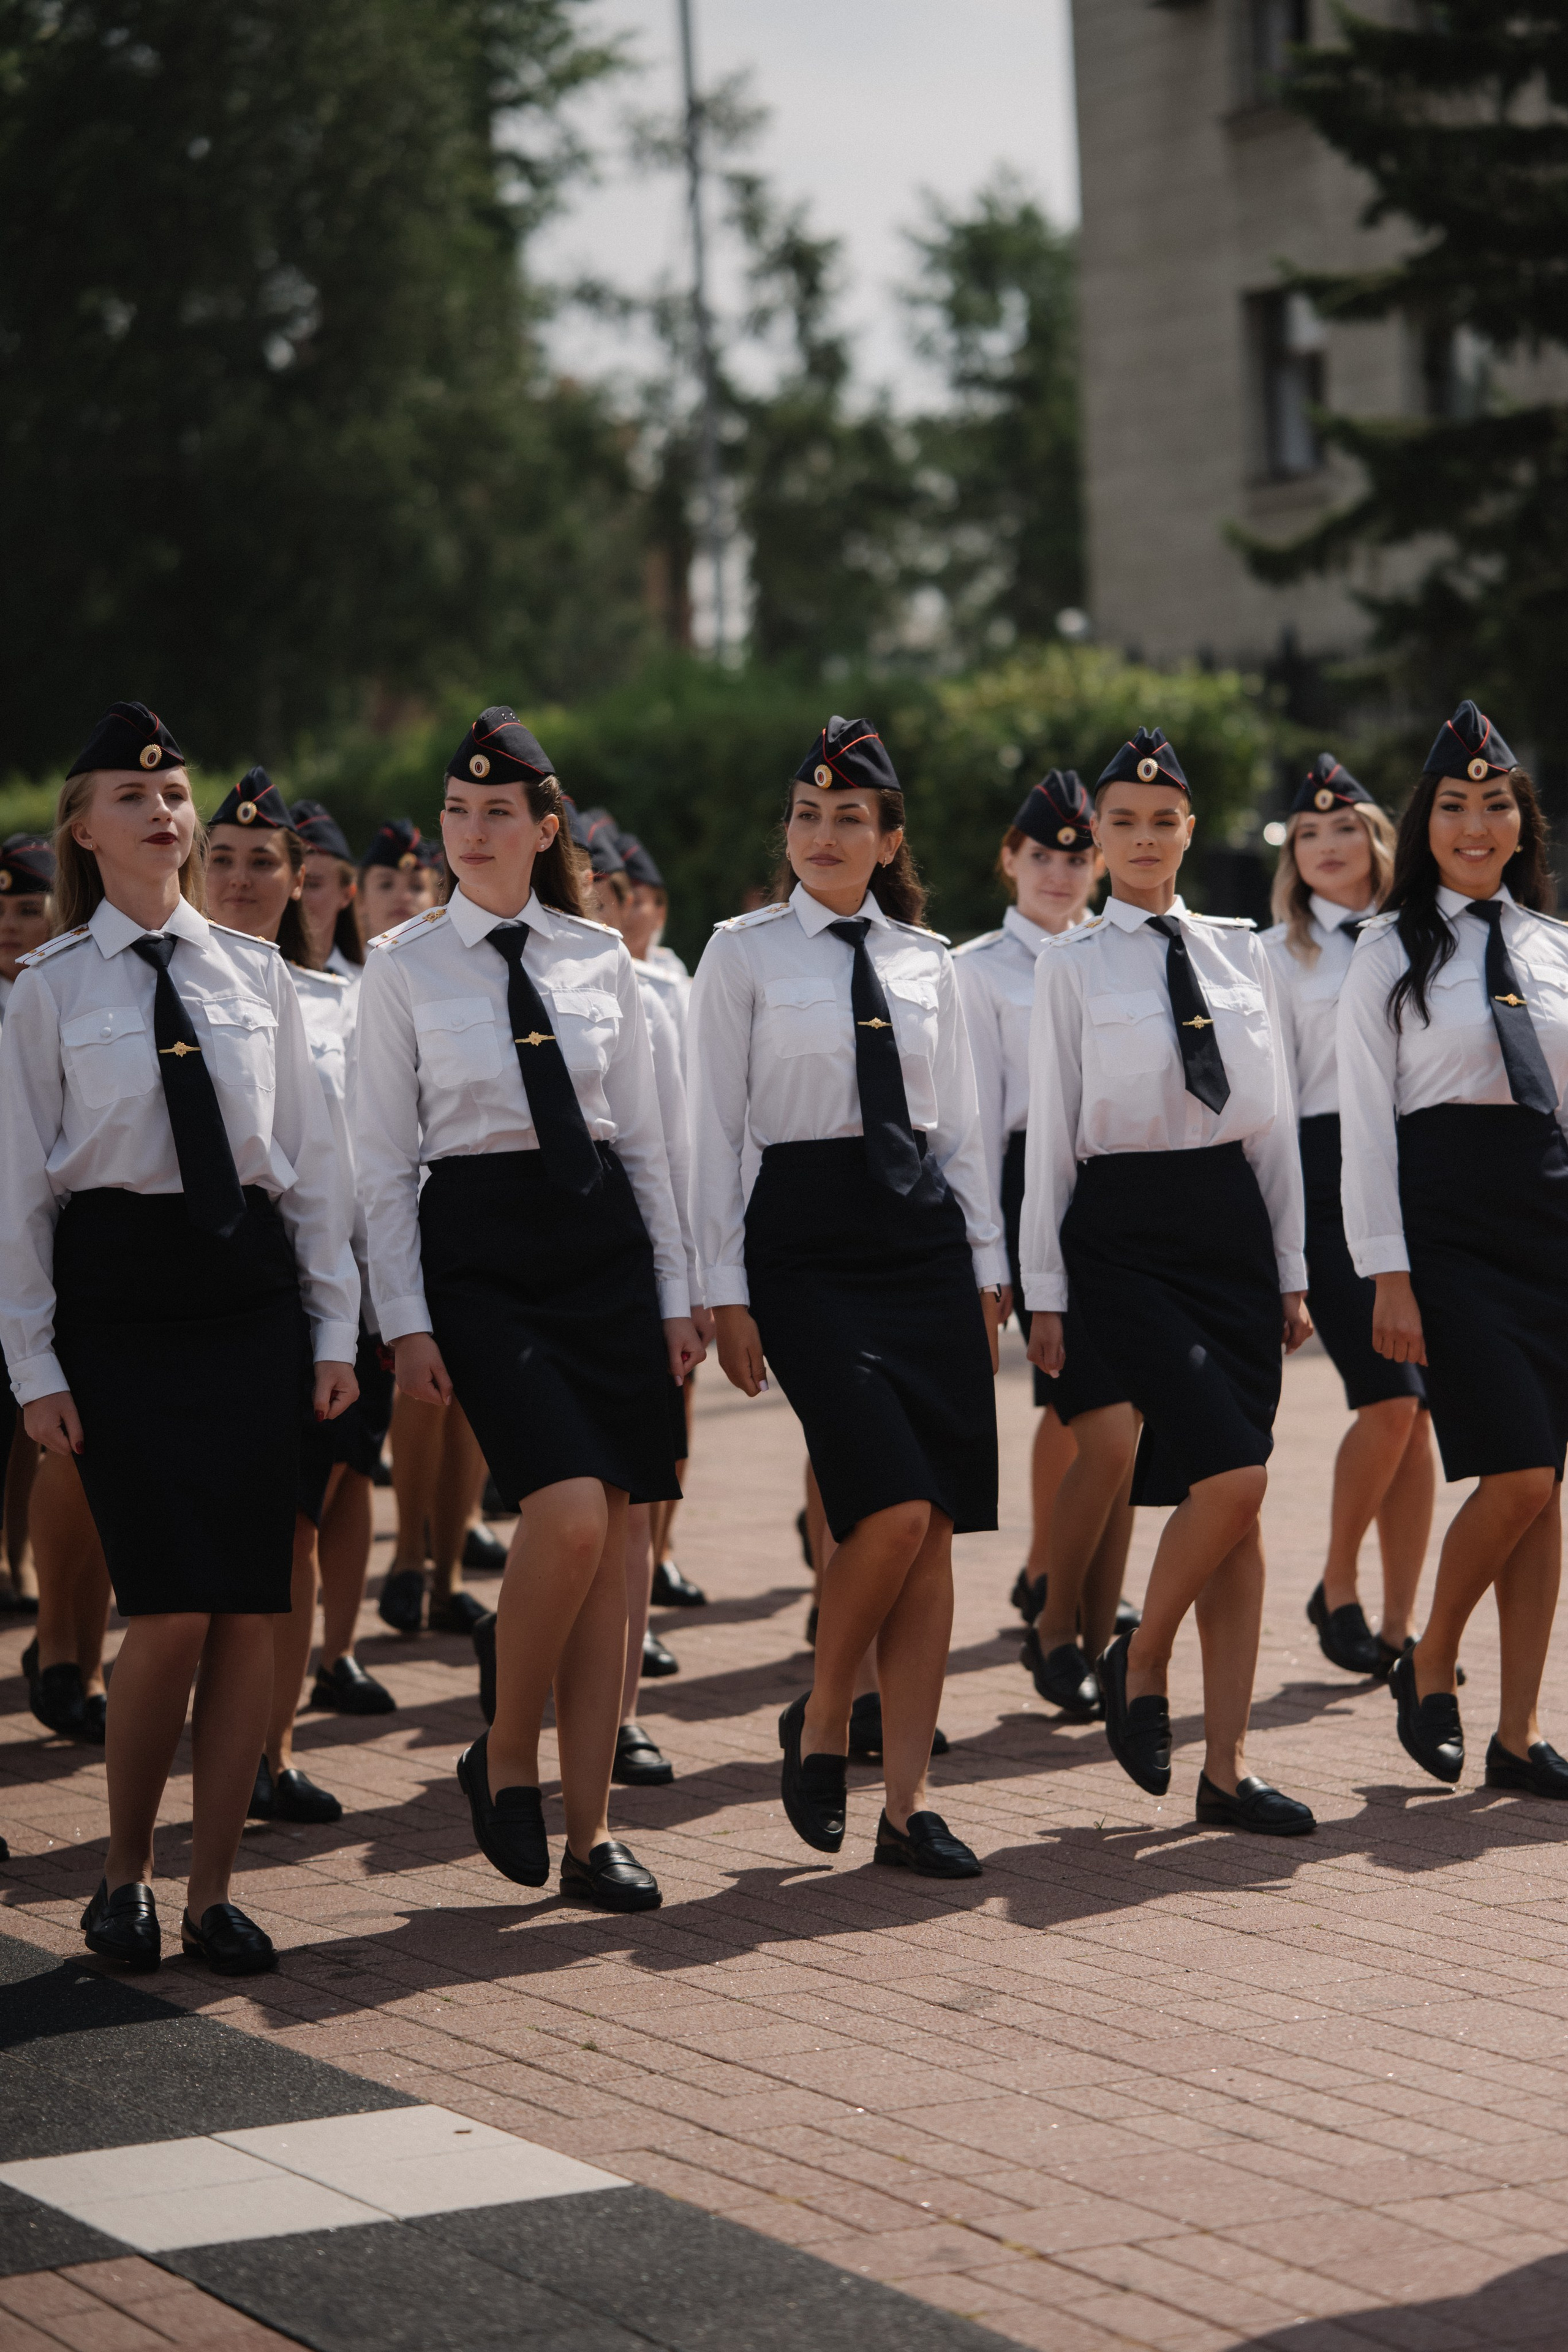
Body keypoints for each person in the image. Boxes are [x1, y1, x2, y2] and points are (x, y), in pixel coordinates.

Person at [0, 702, 358, 1973]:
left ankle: (213, 1892)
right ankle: (122, 1874)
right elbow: (21, 1199)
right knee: (167, 1610)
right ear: (86, 831)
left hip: (251, 1303)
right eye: (131, 796)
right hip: (121, 1305)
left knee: (253, 1607)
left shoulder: (260, 979)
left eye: (174, 793)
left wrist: (335, 1333)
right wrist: (34, 1367)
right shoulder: (47, 991)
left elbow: (315, 1176)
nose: (163, 812)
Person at [355, 706, 701, 1910]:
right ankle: (504, 1752)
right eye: (457, 809)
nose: (470, 828)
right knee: (561, 1518)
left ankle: (590, 1831)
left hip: (601, 1248)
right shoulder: (398, 968)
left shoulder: (599, 957)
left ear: (543, 826)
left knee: (614, 1547)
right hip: (481, 1254)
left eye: (496, 811)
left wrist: (676, 1295)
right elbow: (383, 1164)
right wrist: (402, 1318)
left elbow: (649, 1144)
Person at [688, 715, 1003, 1879]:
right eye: (807, 815)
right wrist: (722, 1290)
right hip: (806, 1246)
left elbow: (963, 1131)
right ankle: (825, 1718)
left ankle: (909, 1805)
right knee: (893, 1508)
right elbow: (710, 1133)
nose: (823, 835)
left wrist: (987, 1270)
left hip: (922, 1244)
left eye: (850, 818)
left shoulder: (932, 962)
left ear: (889, 840)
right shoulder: (744, 951)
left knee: (934, 1540)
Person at [1023, 726, 1316, 1836]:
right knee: (1235, 1477)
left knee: (1235, 1507)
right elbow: (1051, 1132)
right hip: (1123, 1233)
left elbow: (1276, 1125)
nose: (1143, 839)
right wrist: (1044, 1291)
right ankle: (1138, 1660)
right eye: (1122, 823)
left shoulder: (1246, 954)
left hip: (1230, 1228)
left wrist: (1290, 1268)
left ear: (1190, 830)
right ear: (1096, 839)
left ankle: (1228, 1768)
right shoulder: (1071, 964)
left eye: (1163, 820)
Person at [1338, 703, 1568, 1797]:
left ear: (1523, 823)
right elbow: (1365, 1125)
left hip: (1551, 1228)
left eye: (1495, 805)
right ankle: (1430, 1659)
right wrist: (1388, 1268)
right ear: (1426, 823)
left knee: (1544, 1488)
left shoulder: (1554, 947)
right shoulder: (1383, 950)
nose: (1475, 825)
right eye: (1453, 805)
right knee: (1516, 1470)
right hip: (1449, 1237)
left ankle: (1520, 1736)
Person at [203, 768, 394, 1828]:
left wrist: (374, 1309)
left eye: (264, 862)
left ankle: (270, 1751)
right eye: (221, 860)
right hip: (201, 1294)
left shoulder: (345, 1002)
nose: (241, 880)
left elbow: (367, 1165)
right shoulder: (162, 983)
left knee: (296, 1536)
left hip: (324, 1298)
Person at [956, 769, 1139, 1719]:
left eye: (1077, 857)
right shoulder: (977, 971)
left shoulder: (1122, 954)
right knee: (1099, 1424)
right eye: (1042, 856)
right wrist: (989, 1261)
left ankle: (1091, 1624)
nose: (1060, 874)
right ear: (1010, 861)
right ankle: (1058, 1622)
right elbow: (978, 1127)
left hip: (1120, 1195)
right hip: (1034, 1193)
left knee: (1122, 1429)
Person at [1263, 755, 1433, 1679]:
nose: (1327, 847)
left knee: (1420, 1425)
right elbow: (1275, 1101)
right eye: (1307, 835)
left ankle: (1402, 1630)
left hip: (1424, 1174)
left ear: (1375, 839)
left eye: (1343, 829)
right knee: (1389, 1401)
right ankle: (1335, 1584)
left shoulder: (1418, 936)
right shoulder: (1278, 953)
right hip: (1328, 1177)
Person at [357, 818, 500, 1633]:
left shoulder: (452, 967)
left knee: (472, 1404)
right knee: (418, 1399)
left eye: (416, 884)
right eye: (387, 885)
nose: (405, 896)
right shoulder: (353, 977)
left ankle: (444, 1569)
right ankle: (406, 1556)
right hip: (384, 1225)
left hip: (454, 1218)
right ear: (356, 896)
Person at [0, 834, 56, 1618]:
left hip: (50, 1244)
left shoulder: (60, 994)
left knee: (34, 1428)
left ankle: (24, 1565)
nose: (8, 925)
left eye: (25, 907)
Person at [290, 800, 364, 982]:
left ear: (347, 894)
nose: (296, 895)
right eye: (290, 884)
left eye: (312, 884)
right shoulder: (253, 978)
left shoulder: (365, 984)